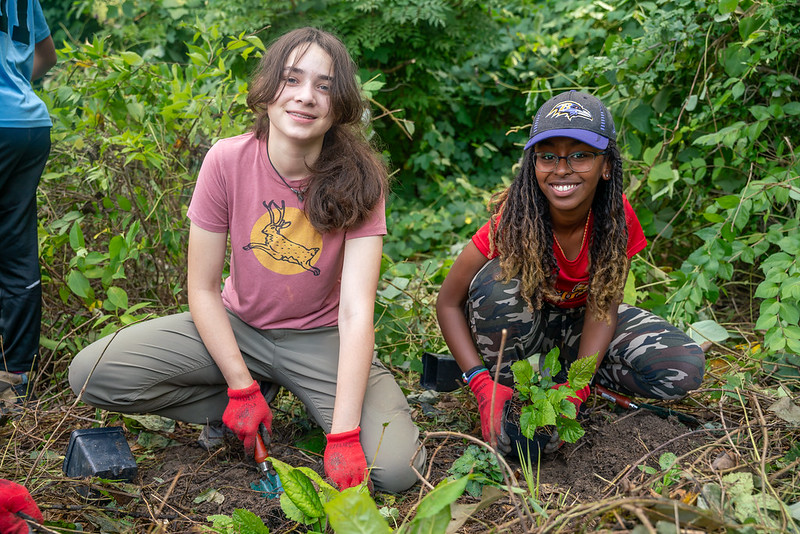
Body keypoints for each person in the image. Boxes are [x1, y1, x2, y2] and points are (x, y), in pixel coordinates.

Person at [68, 27, 424, 493]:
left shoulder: (360, 180)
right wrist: (240, 385)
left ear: (339, 105)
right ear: (267, 88)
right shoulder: (227, 160)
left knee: (396, 470)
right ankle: (252, 394)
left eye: (323, 86)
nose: (306, 97)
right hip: (239, 327)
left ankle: (293, 391)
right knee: (93, 374)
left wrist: (343, 436)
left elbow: (357, 310)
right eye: (292, 79)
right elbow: (201, 288)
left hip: (321, 339)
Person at [436, 90, 705, 456]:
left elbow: (604, 307)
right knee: (498, 285)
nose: (562, 169)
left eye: (580, 155)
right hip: (522, 333)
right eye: (548, 156)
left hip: (579, 327)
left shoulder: (616, 218)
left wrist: (577, 388)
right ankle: (509, 390)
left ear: (606, 164)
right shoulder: (512, 221)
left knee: (682, 368)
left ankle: (567, 379)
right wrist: (480, 382)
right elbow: (448, 303)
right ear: (534, 164)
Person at [0, 0, 57, 397]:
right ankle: (14, 377)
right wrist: (13, 84)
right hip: (29, 123)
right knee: (16, 248)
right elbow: (46, 55)